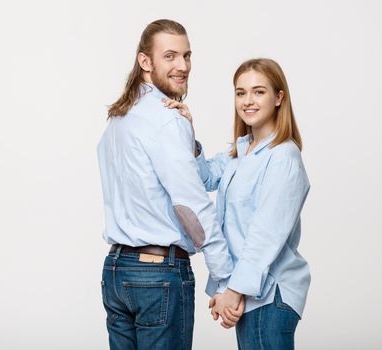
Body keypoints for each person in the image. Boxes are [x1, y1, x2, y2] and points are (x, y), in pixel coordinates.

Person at [97, 19, 242, 350]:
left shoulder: (117, 121)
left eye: (187, 56)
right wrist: (225, 279)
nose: (183, 66)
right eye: (171, 56)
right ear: (145, 62)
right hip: (157, 276)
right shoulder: (166, 120)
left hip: (116, 271)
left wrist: (188, 137)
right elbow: (191, 206)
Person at [164, 58, 311, 349]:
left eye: (258, 91)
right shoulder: (241, 151)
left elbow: (264, 235)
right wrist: (187, 133)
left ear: (279, 97)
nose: (247, 101)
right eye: (240, 92)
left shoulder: (283, 158)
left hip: (270, 295)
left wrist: (233, 290)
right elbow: (204, 178)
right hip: (251, 295)